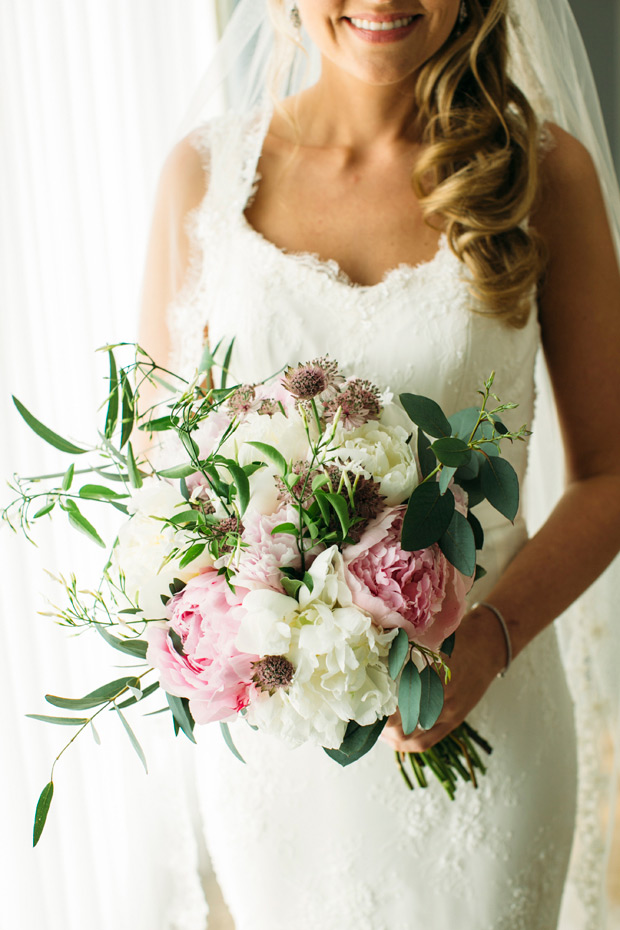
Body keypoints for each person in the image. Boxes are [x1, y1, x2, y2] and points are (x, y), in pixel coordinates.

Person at [138, 1, 620, 928]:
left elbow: (610, 472)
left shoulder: (544, 176)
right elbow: (163, 476)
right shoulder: (201, 179)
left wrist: (491, 639)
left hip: (486, 716)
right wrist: (231, 611)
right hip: (281, 755)